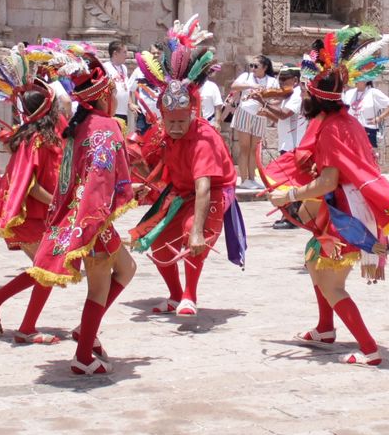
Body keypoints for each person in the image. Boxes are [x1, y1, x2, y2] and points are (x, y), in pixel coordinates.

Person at [265, 27, 389, 367]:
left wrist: (291, 194)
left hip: (347, 216)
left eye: (304, 93)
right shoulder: (346, 121)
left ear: (315, 98)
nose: (300, 99)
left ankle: (369, 349)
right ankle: (324, 329)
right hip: (346, 209)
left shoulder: (331, 129)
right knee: (314, 261)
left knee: (332, 284)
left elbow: (329, 181)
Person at [28, 53, 138, 376]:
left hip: (84, 211)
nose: (117, 96)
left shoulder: (83, 126)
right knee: (99, 288)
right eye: (113, 92)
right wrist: (94, 221)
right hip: (92, 216)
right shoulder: (106, 127)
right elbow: (99, 178)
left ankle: (85, 332)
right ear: (104, 96)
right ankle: (83, 356)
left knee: (127, 268)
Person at [130, 17, 245, 317]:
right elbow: (153, 162)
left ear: (193, 113)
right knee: (157, 243)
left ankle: (190, 296)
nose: (177, 127)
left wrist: (196, 233)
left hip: (211, 192)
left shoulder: (203, 138)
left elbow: (204, 187)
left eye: (182, 121)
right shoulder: (162, 132)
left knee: (192, 233)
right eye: (171, 121)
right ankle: (175, 294)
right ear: (163, 117)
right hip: (181, 191)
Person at [0, 47, 71, 344]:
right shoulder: (36, 140)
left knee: (46, 269)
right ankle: (16, 320)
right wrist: (56, 203)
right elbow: (29, 186)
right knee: (47, 269)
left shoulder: (47, 133)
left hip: (42, 217)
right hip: (33, 218)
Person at [260, 65, 305, 229]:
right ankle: (290, 214)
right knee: (287, 181)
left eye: (284, 79)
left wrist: (263, 103)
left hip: (295, 145)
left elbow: (284, 114)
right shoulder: (289, 95)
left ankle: (293, 216)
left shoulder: (298, 94)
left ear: (295, 80)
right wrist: (266, 112)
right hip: (287, 144)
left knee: (290, 182)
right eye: (279, 79)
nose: (280, 82)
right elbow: (281, 119)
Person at [226, 55, 278, 190]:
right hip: (245, 112)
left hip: (260, 115)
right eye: (252, 66)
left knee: (254, 149)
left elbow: (276, 98)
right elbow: (234, 86)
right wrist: (251, 85)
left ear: (265, 68)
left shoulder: (272, 81)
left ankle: (252, 178)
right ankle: (244, 180)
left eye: (256, 66)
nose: (253, 68)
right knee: (244, 148)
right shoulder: (246, 77)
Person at [346, 75, 389, 157]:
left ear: (365, 80)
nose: (355, 80)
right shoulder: (349, 93)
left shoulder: (373, 93)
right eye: (355, 77)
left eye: (357, 77)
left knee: (368, 159)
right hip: (351, 131)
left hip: (367, 131)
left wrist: (379, 118)